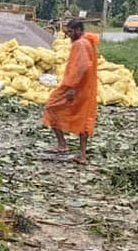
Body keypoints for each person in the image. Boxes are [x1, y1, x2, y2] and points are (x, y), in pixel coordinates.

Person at [42, 19, 98, 165]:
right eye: (67, 32)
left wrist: (72, 87)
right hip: (86, 88)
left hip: (76, 87)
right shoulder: (87, 42)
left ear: (79, 30)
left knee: (51, 106)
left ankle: (63, 144)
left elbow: (82, 66)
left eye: (71, 32)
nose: (69, 35)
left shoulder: (80, 44)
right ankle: (82, 154)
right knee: (83, 117)